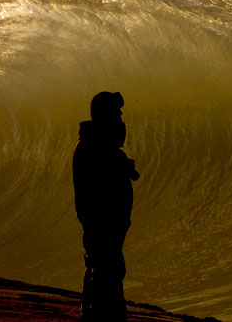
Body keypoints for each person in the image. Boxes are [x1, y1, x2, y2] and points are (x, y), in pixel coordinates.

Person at [73, 91, 140, 322]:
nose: (121, 118)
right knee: (106, 270)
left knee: (106, 269)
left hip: (108, 224)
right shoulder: (93, 149)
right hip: (102, 224)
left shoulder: (101, 147)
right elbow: (97, 185)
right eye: (116, 113)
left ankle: (99, 315)